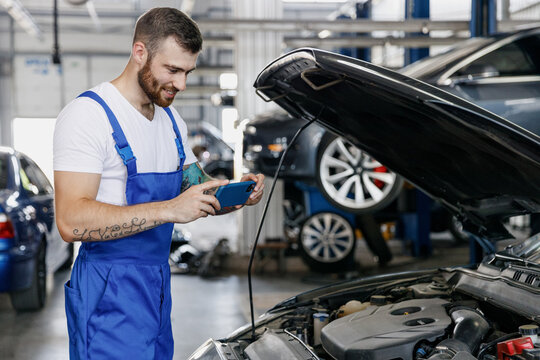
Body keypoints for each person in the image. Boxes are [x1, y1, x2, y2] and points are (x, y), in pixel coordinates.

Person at [53, 7, 264, 360]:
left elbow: (195, 187)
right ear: (140, 53)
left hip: (156, 283)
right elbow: (71, 221)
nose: (181, 84)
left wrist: (235, 192)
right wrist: (169, 210)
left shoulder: (170, 121)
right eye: (172, 70)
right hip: (107, 287)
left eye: (188, 72)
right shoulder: (88, 116)